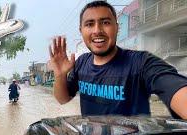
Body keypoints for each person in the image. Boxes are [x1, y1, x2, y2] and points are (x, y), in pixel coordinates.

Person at [49, 1, 187, 119]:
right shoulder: (81, 63)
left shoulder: (140, 63)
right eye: (90, 24)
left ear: (117, 27)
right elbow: (63, 99)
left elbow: (176, 89)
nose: (97, 30)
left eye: (105, 22)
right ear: (81, 31)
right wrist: (60, 75)